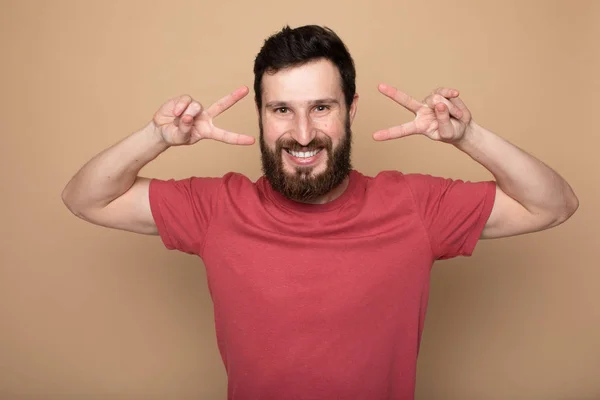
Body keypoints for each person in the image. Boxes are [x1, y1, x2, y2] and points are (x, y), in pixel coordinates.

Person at [62, 25, 578, 399]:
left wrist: (468, 137)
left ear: (349, 110)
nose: (303, 134)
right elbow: (86, 197)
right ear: (261, 116)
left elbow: (554, 205)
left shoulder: (416, 207)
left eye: (322, 108)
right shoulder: (215, 208)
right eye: (282, 109)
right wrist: (157, 137)